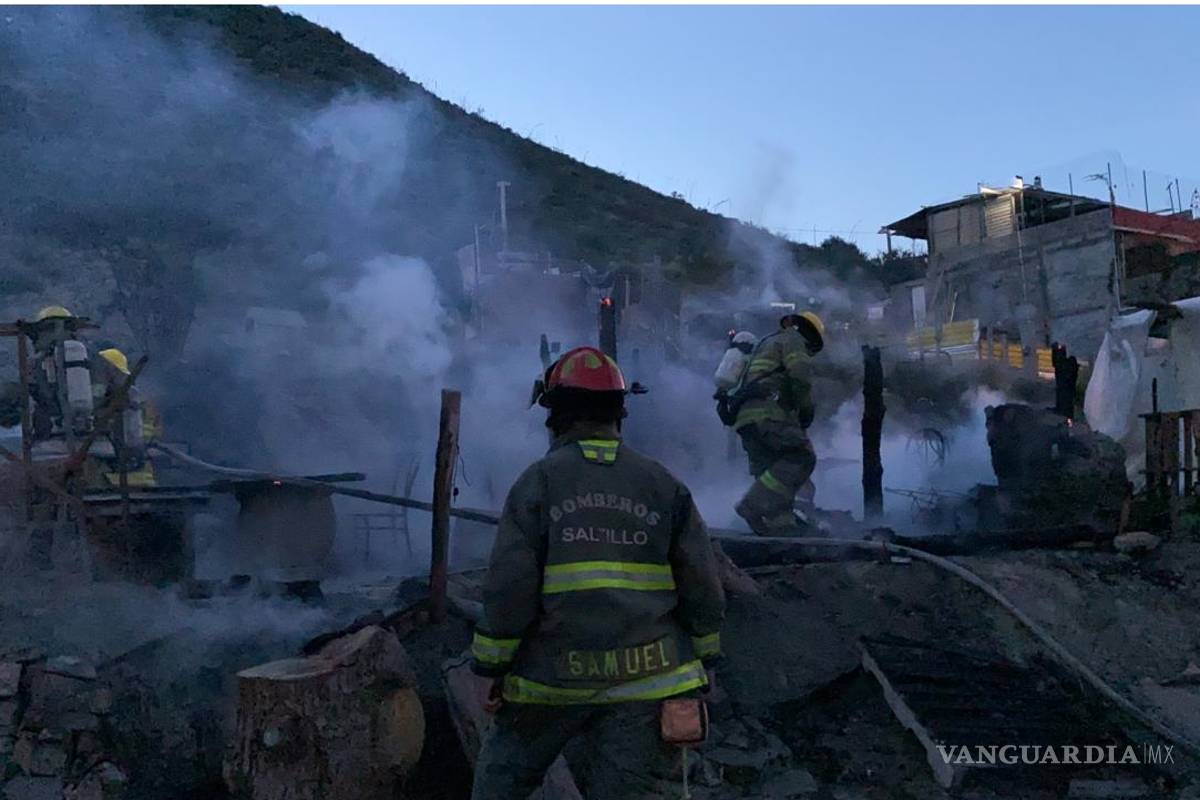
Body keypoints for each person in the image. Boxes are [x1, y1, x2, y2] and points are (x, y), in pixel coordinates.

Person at [470, 345, 726, 800]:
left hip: (550, 681)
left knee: (498, 786)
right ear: (619, 414)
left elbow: (509, 588)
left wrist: (492, 665)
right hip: (648, 684)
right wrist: (706, 655)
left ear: (555, 416)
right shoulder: (663, 483)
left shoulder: (539, 482)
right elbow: (702, 584)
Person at [732, 311, 824, 535]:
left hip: (747, 418)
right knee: (801, 456)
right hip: (768, 415)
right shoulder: (793, 340)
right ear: (809, 336)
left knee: (772, 475)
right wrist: (805, 409)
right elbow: (800, 376)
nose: (809, 352)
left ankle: (781, 530)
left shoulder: (767, 343)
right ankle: (751, 505)